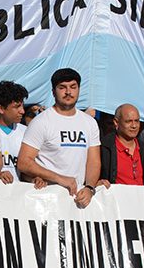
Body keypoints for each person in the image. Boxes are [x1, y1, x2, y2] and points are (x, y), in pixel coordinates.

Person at [17, 68, 101, 208]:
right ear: (53, 92)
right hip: (46, 199)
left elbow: (94, 161)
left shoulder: (90, 122)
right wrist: (59, 178)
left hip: (78, 200)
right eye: (62, 87)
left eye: (73, 87)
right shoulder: (41, 122)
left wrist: (90, 187)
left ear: (79, 89)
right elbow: (24, 162)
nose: (68, 92)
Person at [97, 104, 144, 191]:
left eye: (136, 121)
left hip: (141, 198)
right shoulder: (103, 147)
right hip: (114, 198)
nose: (134, 126)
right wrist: (97, 183)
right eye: (128, 121)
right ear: (116, 122)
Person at [0, 80, 28, 183]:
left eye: (22, 106)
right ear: (1, 109)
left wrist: (34, 178)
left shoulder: (26, 132)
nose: (22, 111)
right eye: (17, 106)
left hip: (17, 191)